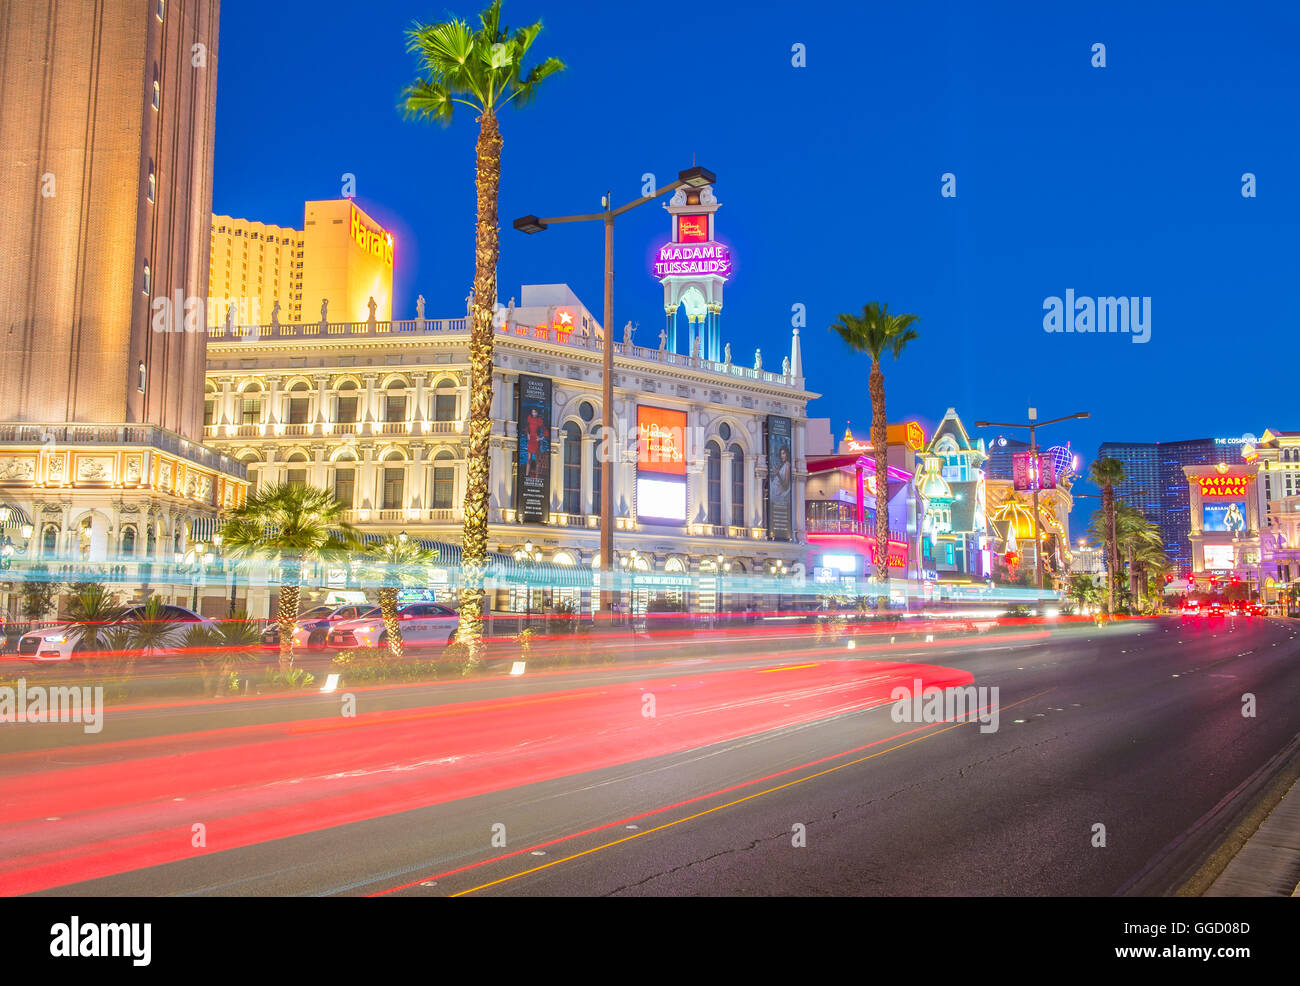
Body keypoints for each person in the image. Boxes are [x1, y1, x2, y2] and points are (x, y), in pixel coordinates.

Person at [524, 407, 548, 479]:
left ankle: (536, 477)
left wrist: (540, 438)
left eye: (534, 412)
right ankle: (527, 475)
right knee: (529, 459)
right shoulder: (529, 418)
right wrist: (528, 434)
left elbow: (545, 430)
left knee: (537, 460)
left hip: (536, 441)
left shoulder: (539, 420)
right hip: (531, 439)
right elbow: (527, 428)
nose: (533, 413)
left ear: (537, 413)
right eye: (532, 412)